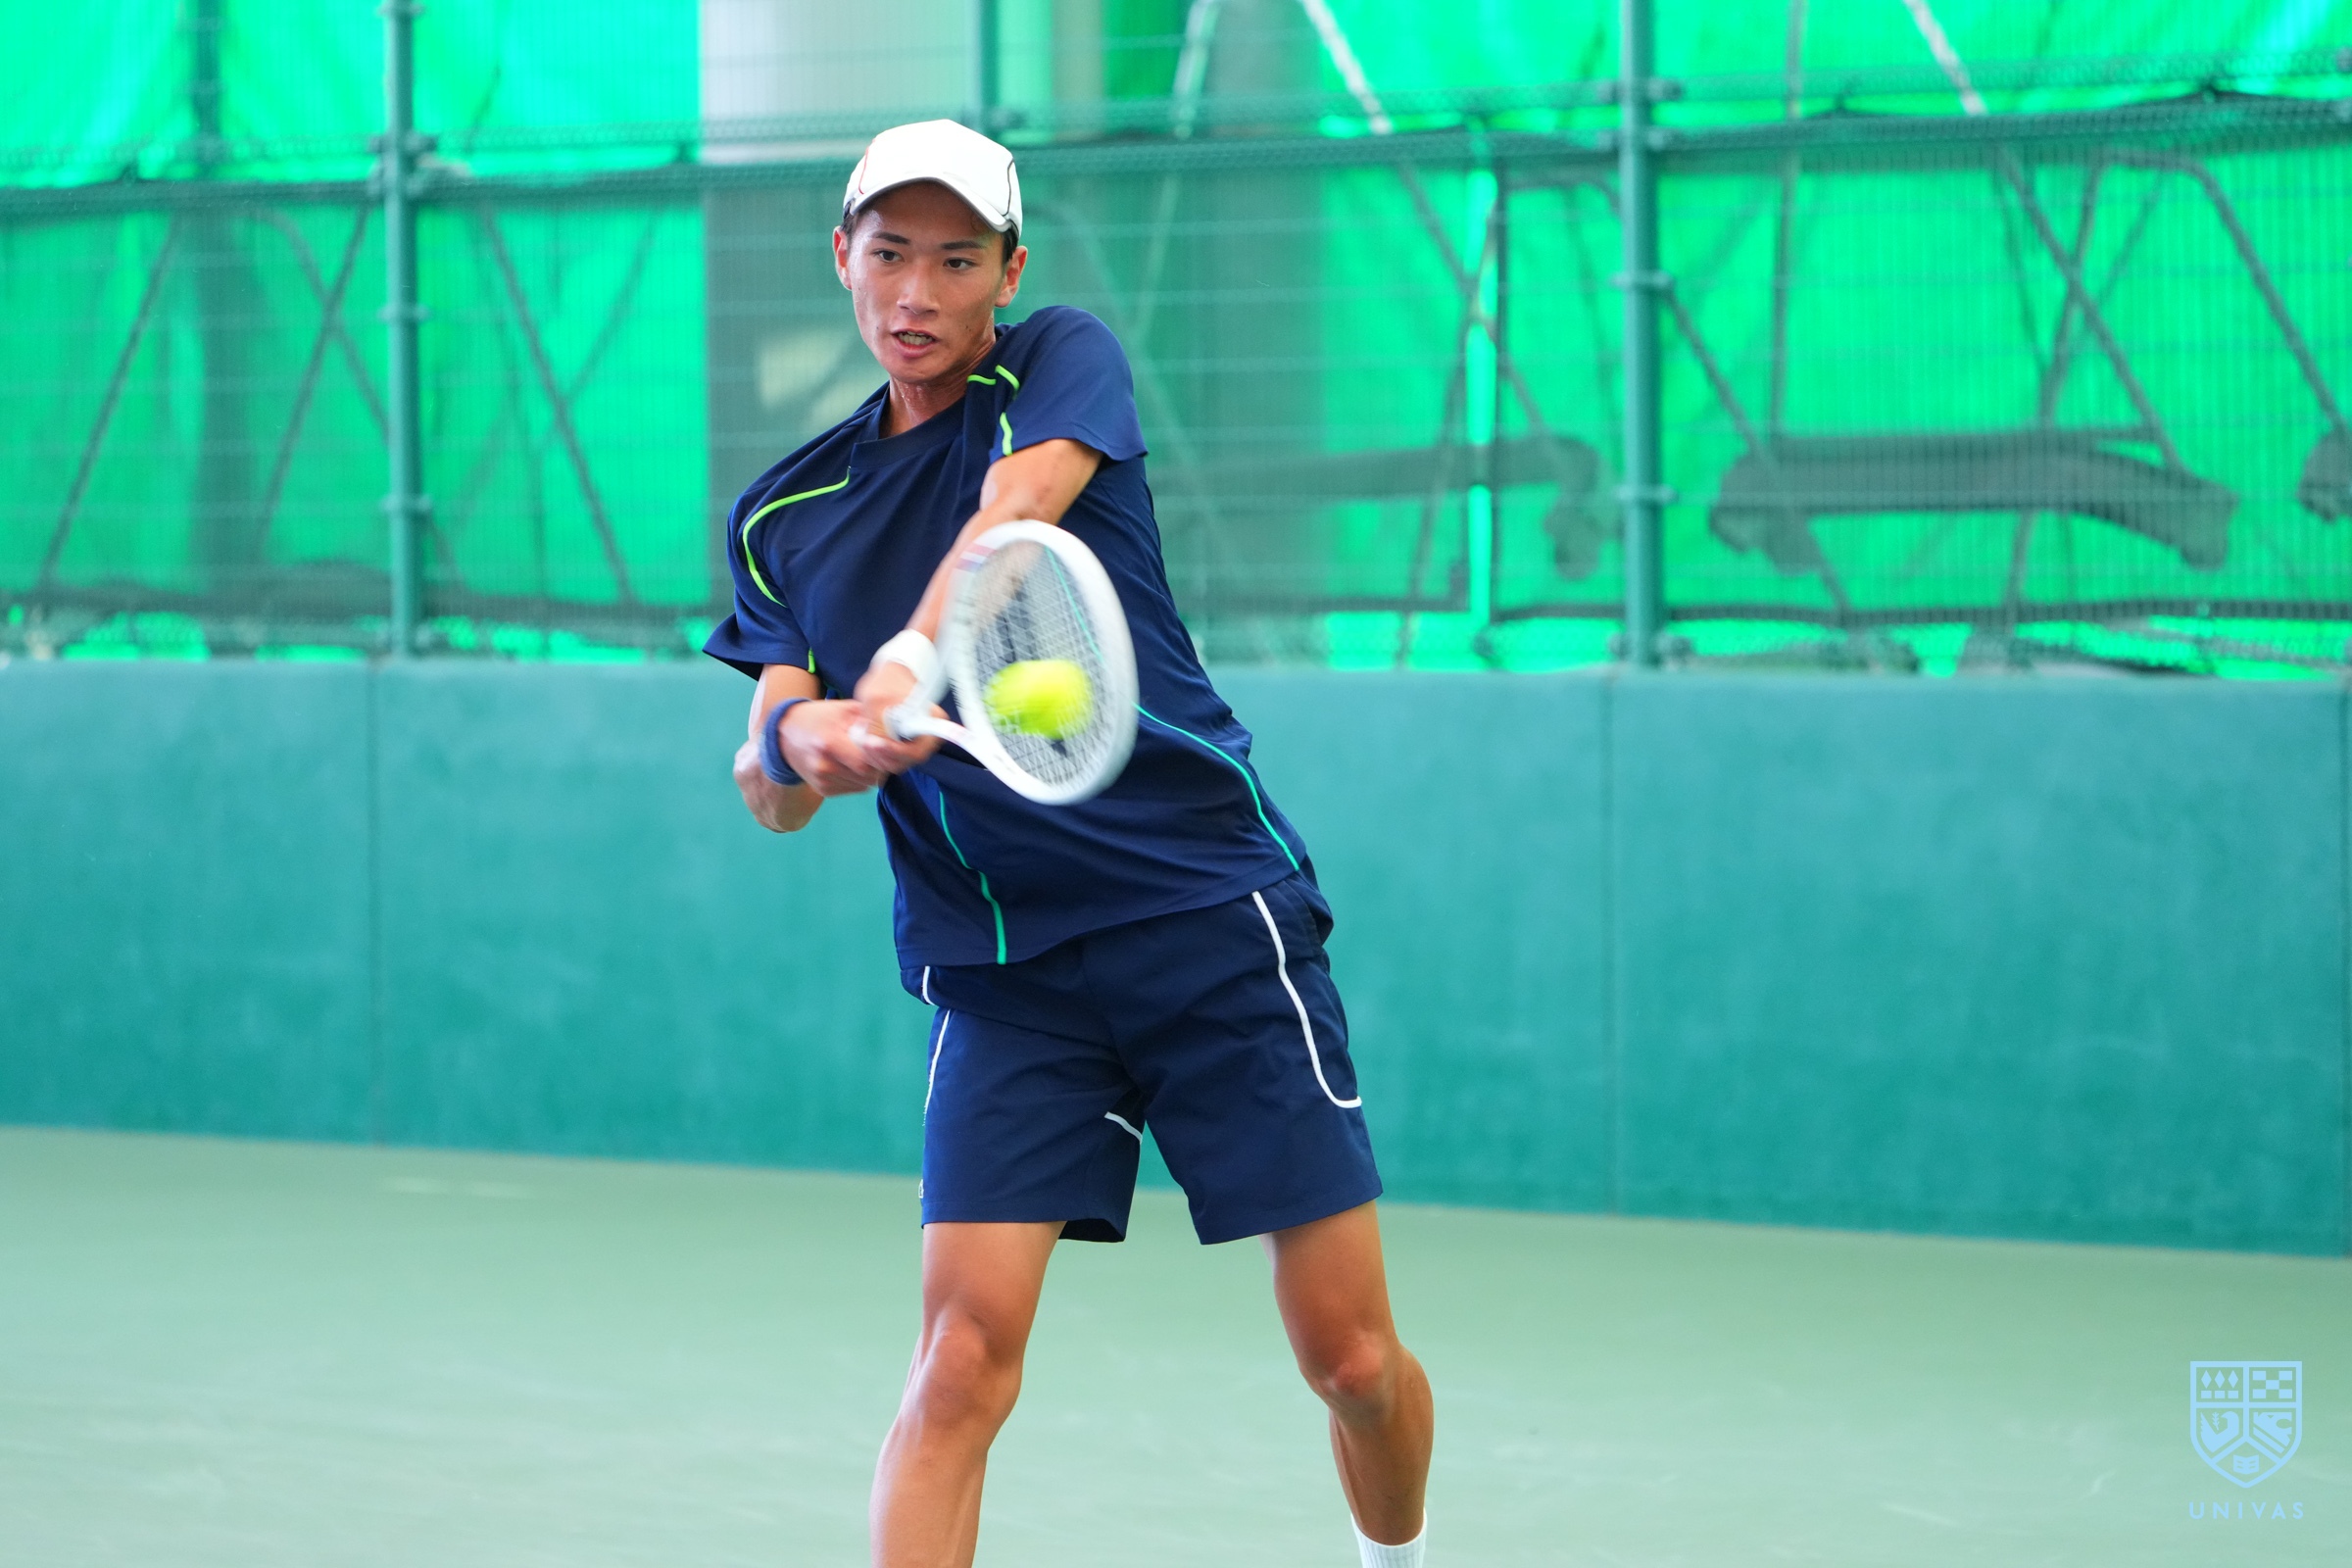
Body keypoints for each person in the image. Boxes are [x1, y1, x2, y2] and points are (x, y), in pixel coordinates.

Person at [704, 119, 1433, 1568]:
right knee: (959, 1362)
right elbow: (769, 776)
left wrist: (903, 666)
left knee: (1350, 1359)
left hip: (1204, 916)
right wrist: (808, 745)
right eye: (890, 253)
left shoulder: (1058, 362)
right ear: (842, 256)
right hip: (1006, 972)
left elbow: (1015, 513)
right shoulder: (783, 516)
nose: (917, 291)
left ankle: (1396, 1557)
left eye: (956, 259)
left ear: (1009, 272)